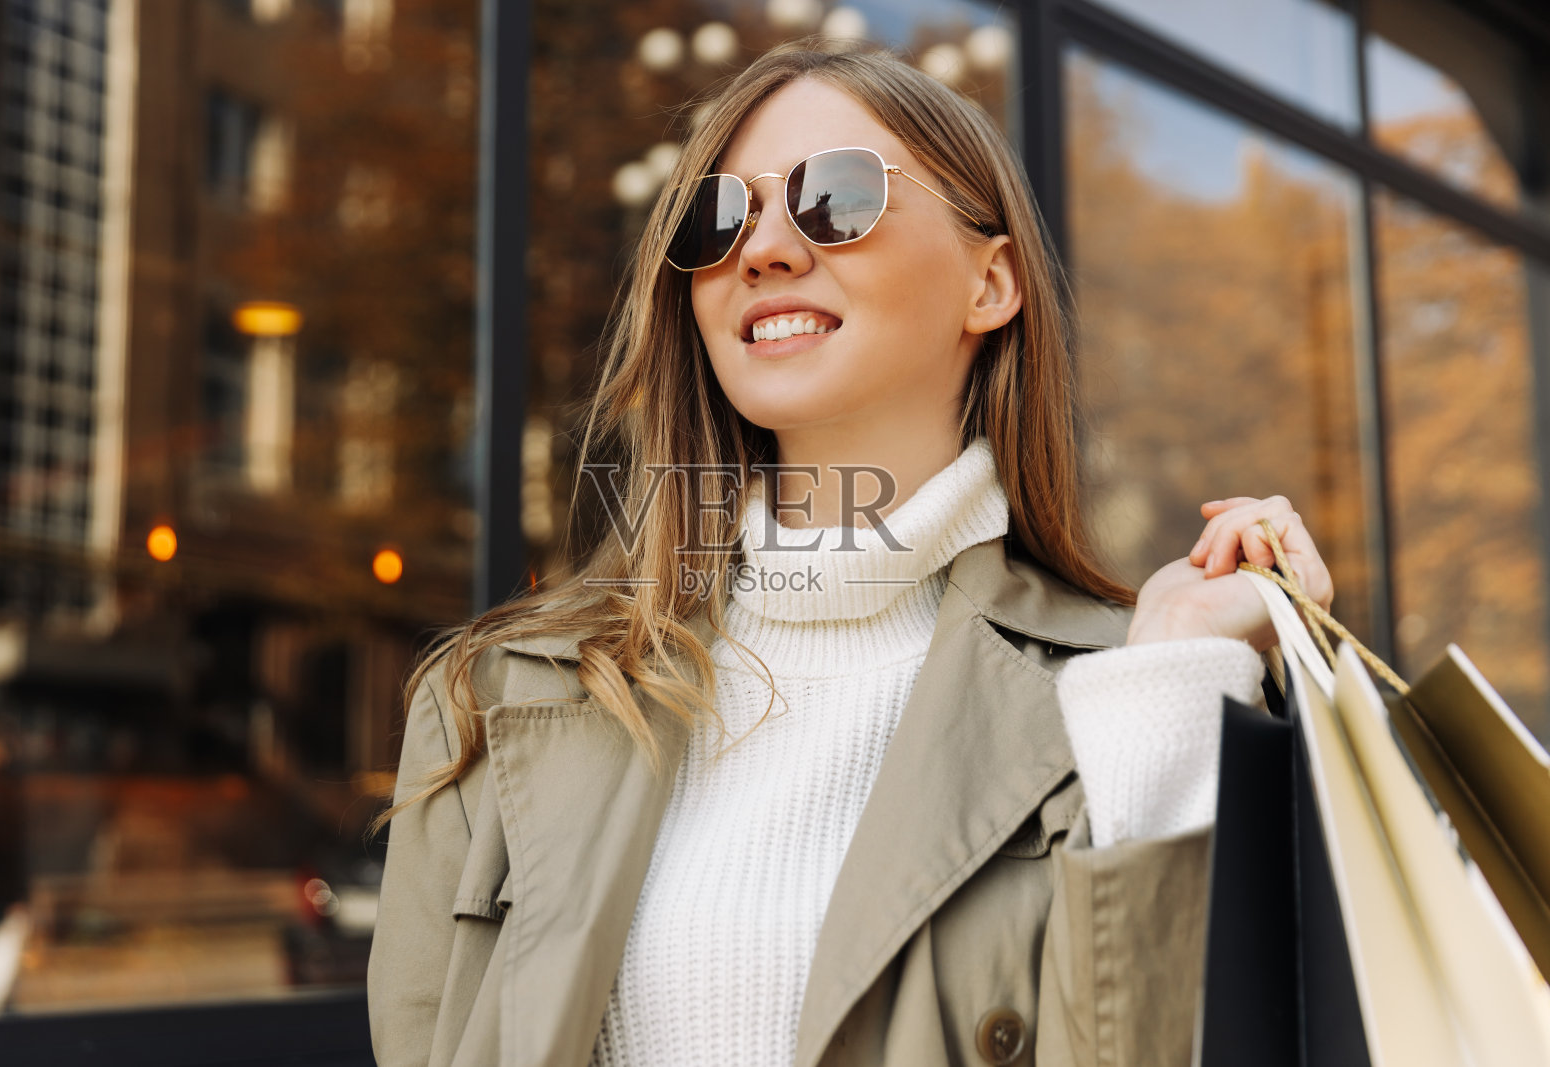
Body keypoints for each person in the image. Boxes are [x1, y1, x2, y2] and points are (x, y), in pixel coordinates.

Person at [367, 41, 1334, 1067]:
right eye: (717, 216)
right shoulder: (493, 699)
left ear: (990, 281)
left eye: (836, 195)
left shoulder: (1128, 694)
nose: (764, 250)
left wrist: (1176, 684)